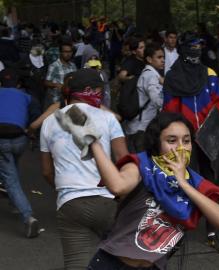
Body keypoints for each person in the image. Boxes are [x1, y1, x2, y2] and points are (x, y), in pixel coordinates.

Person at [54, 110, 219, 269]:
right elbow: (117, 186)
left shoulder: (195, 182)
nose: (180, 147)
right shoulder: (142, 166)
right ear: (157, 143)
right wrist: (93, 143)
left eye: (186, 140)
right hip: (112, 264)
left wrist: (183, 184)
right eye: (171, 141)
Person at [40, 68, 128, 269]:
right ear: (91, 90)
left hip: (69, 203)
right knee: (126, 258)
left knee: (75, 264)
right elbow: (123, 159)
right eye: (100, 90)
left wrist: (66, 190)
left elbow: (46, 171)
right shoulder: (107, 118)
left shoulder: (48, 122)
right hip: (107, 200)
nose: (102, 95)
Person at [162, 31, 219, 253]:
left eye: (200, 46)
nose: (196, 50)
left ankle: (212, 231)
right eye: (192, 45)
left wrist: (214, 129)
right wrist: (177, 136)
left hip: (209, 140)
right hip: (184, 140)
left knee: (211, 183)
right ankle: (177, 231)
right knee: (183, 183)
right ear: (183, 48)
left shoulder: (209, 74)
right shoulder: (173, 77)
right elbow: (169, 111)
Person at [0, 68, 41, 238]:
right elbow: (34, 118)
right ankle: (14, 202)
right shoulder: (27, 97)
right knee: (13, 167)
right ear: (18, 84)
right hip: (20, 139)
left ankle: (28, 217)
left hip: (1, 140)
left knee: (10, 179)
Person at [124, 42, 165, 153]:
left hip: (138, 126)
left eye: (163, 57)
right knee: (142, 162)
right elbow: (157, 101)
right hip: (141, 128)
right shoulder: (150, 76)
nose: (163, 60)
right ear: (149, 59)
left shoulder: (149, 73)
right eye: (159, 57)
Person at [44, 41, 77, 109]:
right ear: (60, 52)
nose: (68, 54)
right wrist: (57, 85)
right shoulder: (54, 65)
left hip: (70, 101)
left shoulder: (73, 66)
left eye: (70, 52)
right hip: (56, 100)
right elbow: (46, 82)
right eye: (65, 52)